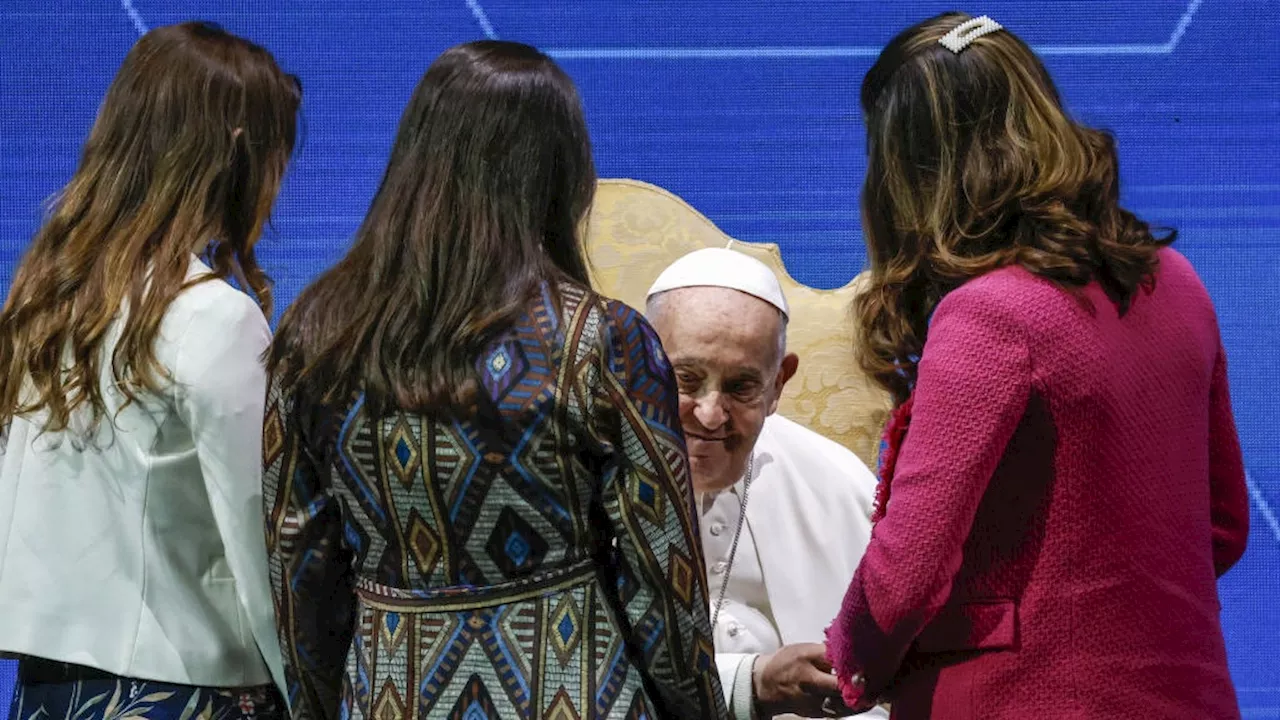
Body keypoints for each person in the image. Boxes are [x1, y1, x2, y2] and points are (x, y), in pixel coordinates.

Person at [262, 40, 727, 720]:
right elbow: (664, 582)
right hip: (573, 691)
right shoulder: (603, 341)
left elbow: (298, 565)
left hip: (390, 690)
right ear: (562, 174)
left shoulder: (314, 335)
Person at [824, 12, 1250, 720]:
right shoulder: (1178, 283)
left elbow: (906, 579)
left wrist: (850, 660)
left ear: (912, 169)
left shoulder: (988, 315)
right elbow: (1225, 528)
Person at [0, 22, 300, 720]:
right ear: (235, 152)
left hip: (46, 691)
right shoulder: (212, 317)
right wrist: (309, 689)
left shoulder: (43, 296)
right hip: (178, 689)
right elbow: (257, 543)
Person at [644, 248, 888, 720]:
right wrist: (748, 682)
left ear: (779, 383)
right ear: (639, 366)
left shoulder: (838, 485)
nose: (710, 414)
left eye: (741, 387)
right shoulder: (578, 479)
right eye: (686, 380)